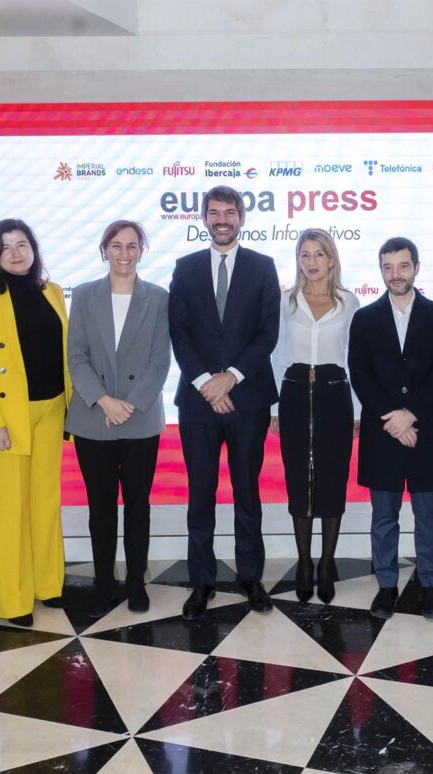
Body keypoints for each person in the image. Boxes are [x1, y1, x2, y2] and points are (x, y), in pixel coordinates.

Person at [168, 185, 280, 620]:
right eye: (213, 212)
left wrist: (229, 378)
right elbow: (179, 331)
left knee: (247, 491)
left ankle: (251, 577)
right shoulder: (185, 268)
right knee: (201, 493)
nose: (221, 219)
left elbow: (266, 334)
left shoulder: (263, 267)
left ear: (242, 218)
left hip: (247, 398)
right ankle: (202, 581)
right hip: (197, 403)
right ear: (203, 217)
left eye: (229, 212)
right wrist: (205, 384)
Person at [0, 219, 70, 627]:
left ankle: (48, 585)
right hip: (9, 417)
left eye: (22, 244)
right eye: (5, 247)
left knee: (46, 501)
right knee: (11, 509)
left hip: (53, 407)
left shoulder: (53, 292)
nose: (16, 252)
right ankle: (13, 601)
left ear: (33, 248)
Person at [349, 237, 433, 620]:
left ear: (416, 267)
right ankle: (386, 586)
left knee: (429, 515)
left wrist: (410, 414)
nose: (396, 274)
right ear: (381, 270)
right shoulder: (363, 318)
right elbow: (360, 376)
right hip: (383, 435)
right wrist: (394, 421)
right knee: (384, 517)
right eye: (388, 267)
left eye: (403, 266)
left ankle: (430, 587)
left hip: (427, 432)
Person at [66, 220, 170, 618]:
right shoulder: (86, 295)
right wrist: (105, 401)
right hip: (94, 418)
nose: (124, 253)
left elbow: (161, 360)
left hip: (141, 420)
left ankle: (136, 583)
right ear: (104, 249)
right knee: (101, 509)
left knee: (138, 507)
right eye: (116, 245)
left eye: (132, 246)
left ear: (142, 250)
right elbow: (76, 356)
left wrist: (130, 404)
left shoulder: (159, 298)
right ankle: (104, 583)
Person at [270, 228, 360, 604]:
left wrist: (357, 409)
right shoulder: (286, 301)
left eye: (318, 254)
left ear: (332, 259)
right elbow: (276, 355)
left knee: (332, 478)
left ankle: (326, 563)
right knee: (298, 478)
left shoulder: (349, 302)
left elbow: (354, 358)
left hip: (335, 392)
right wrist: (274, 406)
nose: (311, 262)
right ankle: (304, 561)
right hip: (293, 393)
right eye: (304, 255)